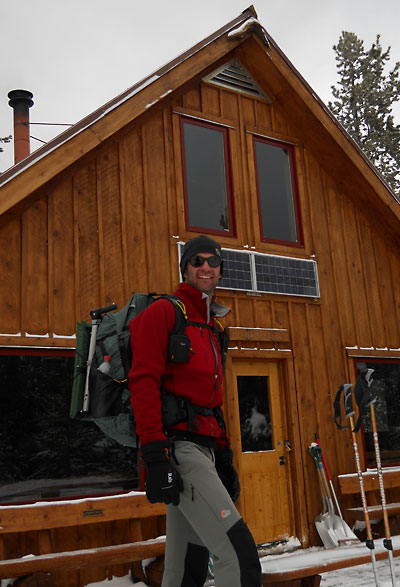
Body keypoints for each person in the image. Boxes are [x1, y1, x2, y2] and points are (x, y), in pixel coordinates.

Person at [128, 235, 262, 587]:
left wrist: (224, 451)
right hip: (178, 449)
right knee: (239, 556)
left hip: (203, 449)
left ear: (220, 270)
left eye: (213, 261)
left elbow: (214, 400)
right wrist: (154, 456)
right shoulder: (164, 313)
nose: (206, 266)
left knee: (187, 565)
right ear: (185, 268)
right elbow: (142, 382)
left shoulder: (213, 328)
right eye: (197, 260)